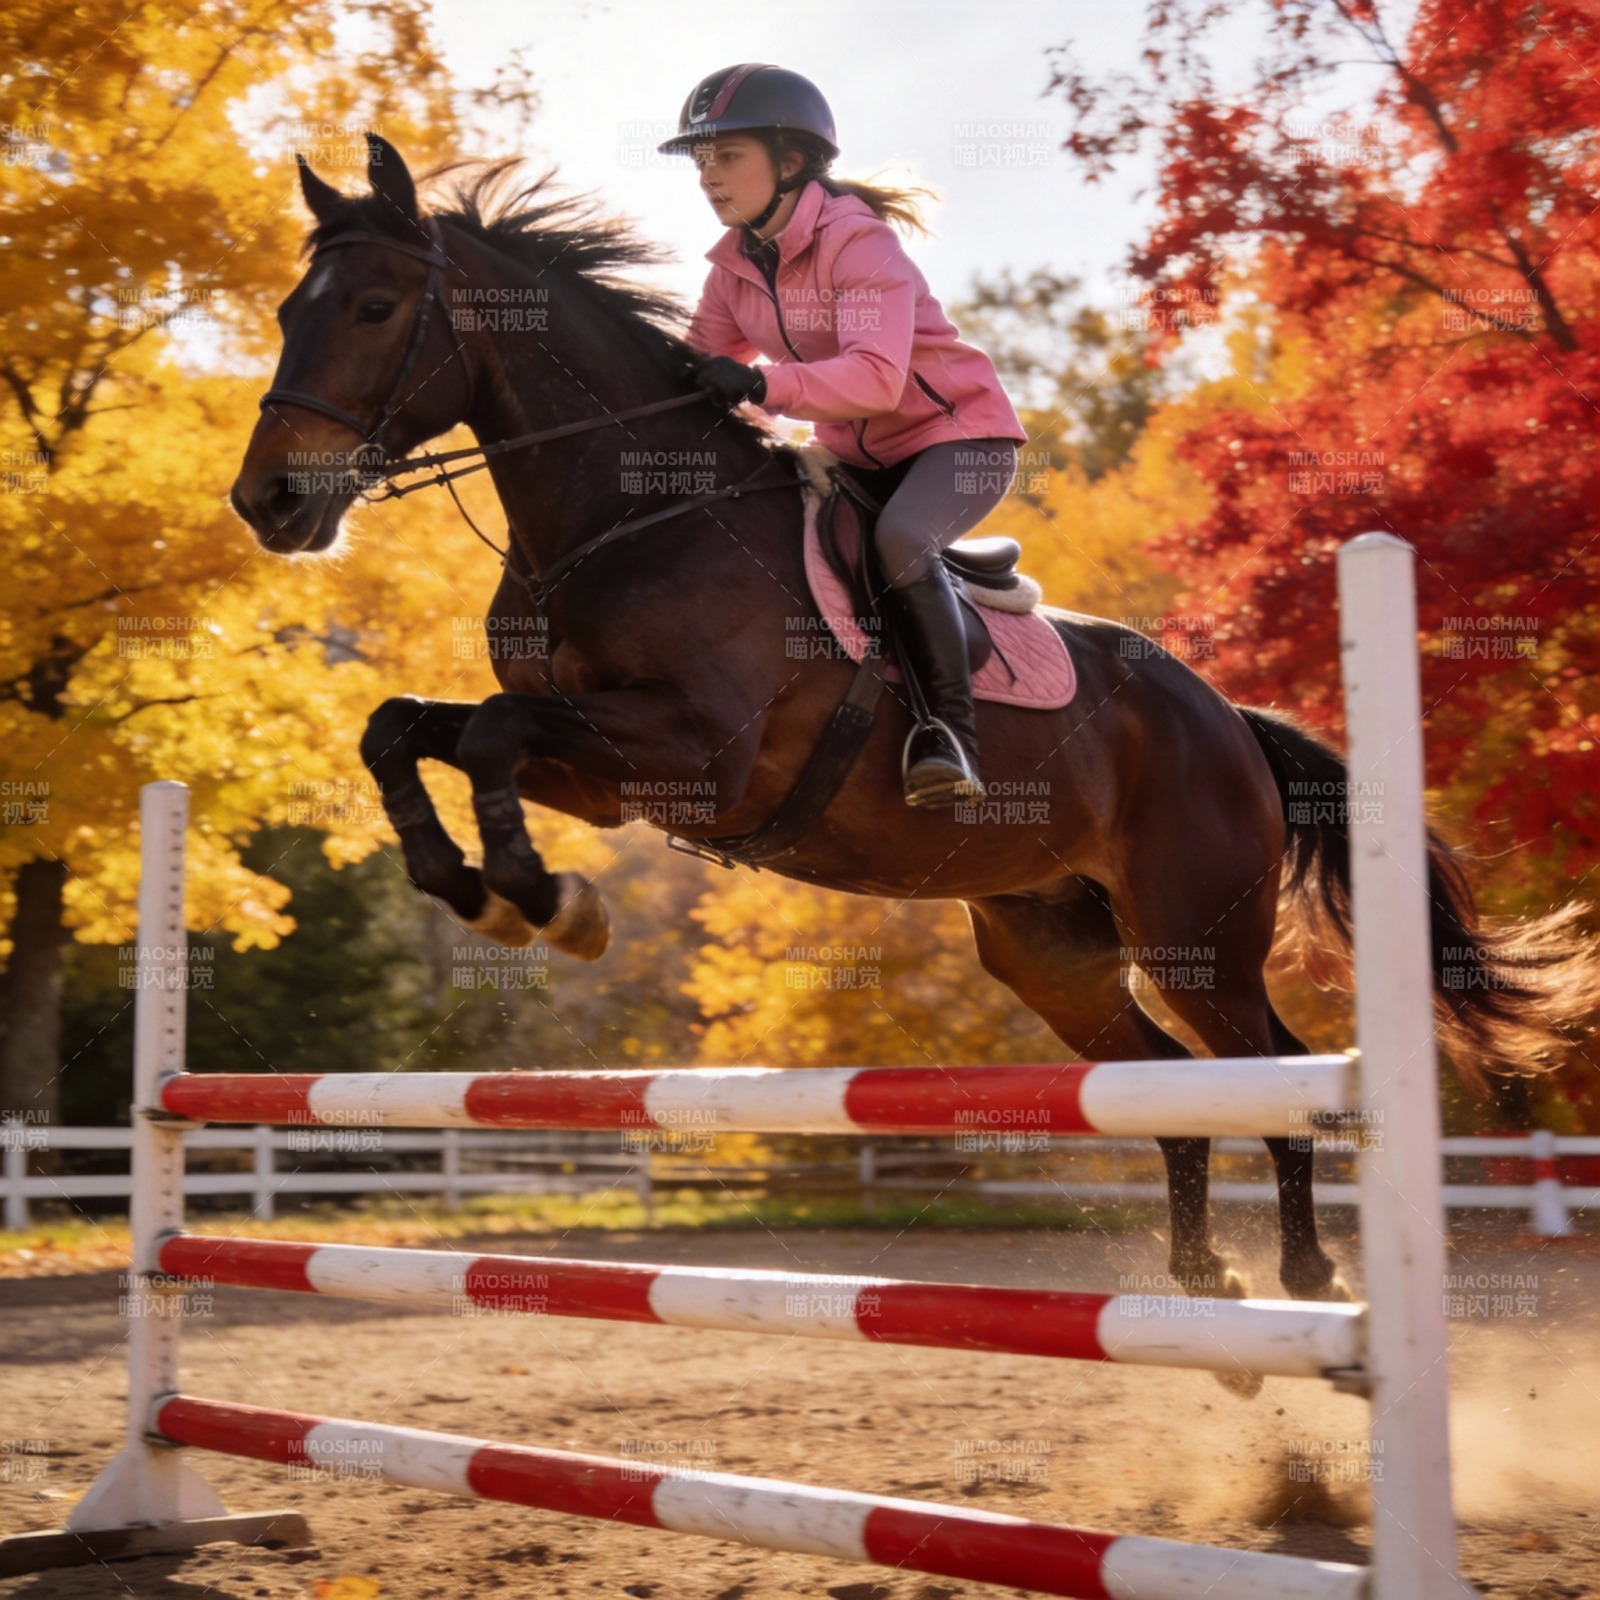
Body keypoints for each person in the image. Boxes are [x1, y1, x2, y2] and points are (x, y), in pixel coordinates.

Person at [659, 64, 1026, 808]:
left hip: (957, 442)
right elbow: (696, 370)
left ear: (790, 162)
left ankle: (948, 736)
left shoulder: (859, 244)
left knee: (898, 541)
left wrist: (763, 385)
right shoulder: (732, 270)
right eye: (702, 161)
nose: (709, 178)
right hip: (857, 457)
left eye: (728, 157)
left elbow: (875, 380)